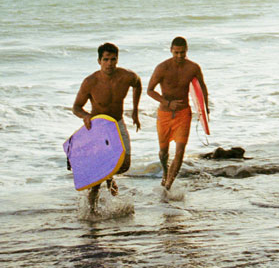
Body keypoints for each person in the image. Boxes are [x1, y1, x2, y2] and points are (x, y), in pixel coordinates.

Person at [72, 42, 142, 209]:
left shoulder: (126, 76)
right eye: (105, 59)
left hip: (117, 123)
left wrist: (135, 110)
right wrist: (86, 116)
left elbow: (138, 83)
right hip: (98, 127)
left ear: (117, 60)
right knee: (97, 178)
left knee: (124, 165)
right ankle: (91, 212)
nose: (109, 63)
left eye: (113, 59)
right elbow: (76, 107)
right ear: (99, 61)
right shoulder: (90, 82)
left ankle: (109, 176)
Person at [146, 36, 210, 191]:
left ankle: (168, 185)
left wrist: (205, 110)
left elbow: (202, 89)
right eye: (176, 53)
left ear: (186, 50)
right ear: (171, 50)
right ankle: (165, 170)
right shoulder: (162, 68)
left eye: (182, 52)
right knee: (163, 152)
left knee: (180, 151)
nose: (179, 56)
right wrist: (167, 103)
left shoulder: (193, 68)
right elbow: (149, 90)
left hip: (183, 113)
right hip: (165, 114)